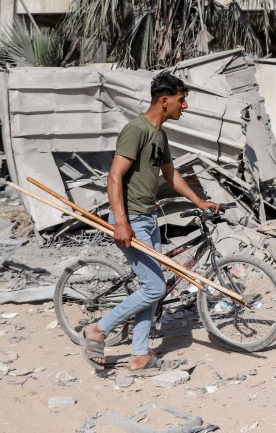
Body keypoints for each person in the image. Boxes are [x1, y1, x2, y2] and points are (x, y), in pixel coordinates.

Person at [81, 71, 219, 373]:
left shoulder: (160, 135)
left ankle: (140, 354)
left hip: (148, 218)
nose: (185, 106)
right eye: (182, 101)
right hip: (130, 219)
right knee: (155, 287)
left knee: (152, 289)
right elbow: (114, 176)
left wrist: (199, 201)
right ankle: (98, 330)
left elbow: (170, 174)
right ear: (164, 100)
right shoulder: (136, 130)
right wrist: (120, 222)